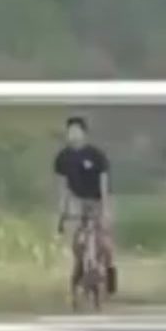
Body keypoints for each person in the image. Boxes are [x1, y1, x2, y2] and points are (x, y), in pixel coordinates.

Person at [53, 116, 116, 294]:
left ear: (84, 133)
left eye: (76, 131)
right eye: (70, 132)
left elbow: (104, 184)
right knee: (78, 241)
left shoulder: (96, 155)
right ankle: (81, 268)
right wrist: (62, 213)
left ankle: (110, 277)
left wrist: (105, 210)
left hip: (98, 198)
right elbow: (63, 186)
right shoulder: (63, 158)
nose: (72, 135)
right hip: (77, 199)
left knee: (104, 242)